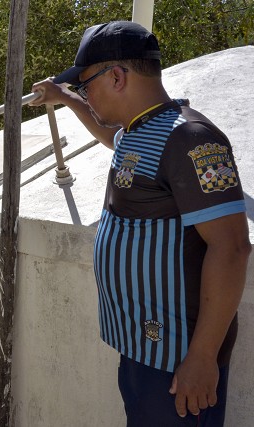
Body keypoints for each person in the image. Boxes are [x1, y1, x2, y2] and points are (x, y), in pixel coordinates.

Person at [30, 21, 251, 426]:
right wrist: (66, 98)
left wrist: (202, 357)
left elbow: (232, 247)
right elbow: (108, 135)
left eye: (85, 85)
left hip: (179, 357)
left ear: (117, 76)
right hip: (142, 347)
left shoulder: (193, 139)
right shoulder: (138, 129)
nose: (85, 94)